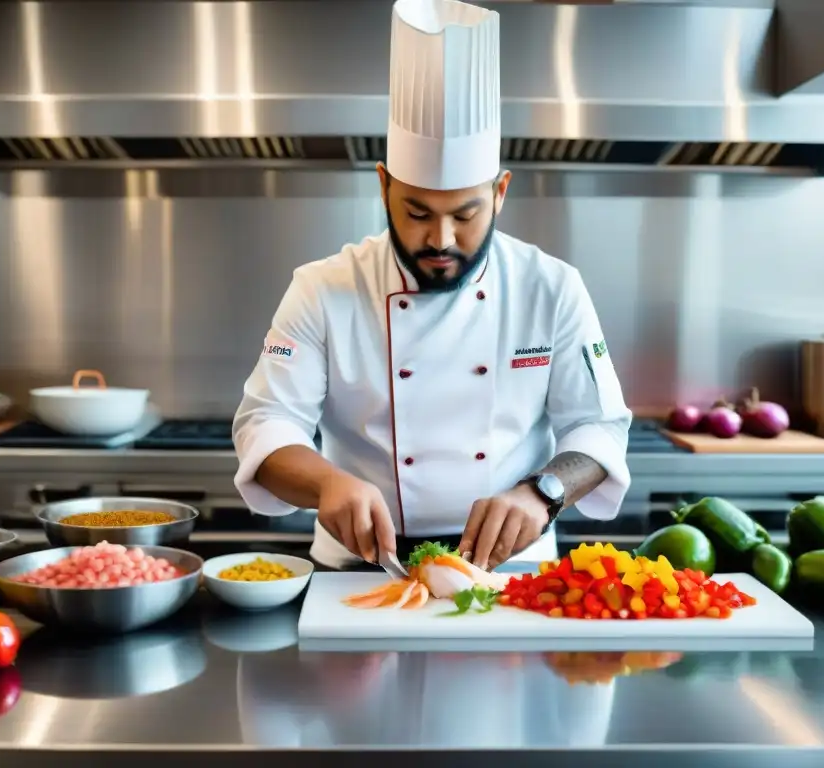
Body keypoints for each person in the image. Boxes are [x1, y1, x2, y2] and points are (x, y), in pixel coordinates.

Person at [232, 0, 633, 571]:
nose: (441, 239)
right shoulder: (322, 289)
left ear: (499, 193)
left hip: (512, 567)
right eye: (417, 212)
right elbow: (264, 423)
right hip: (359, 566)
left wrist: (541, 492)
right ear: (383, 187)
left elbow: (598, 426)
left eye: (466, 214)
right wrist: (326, 484)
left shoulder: (552, 288)